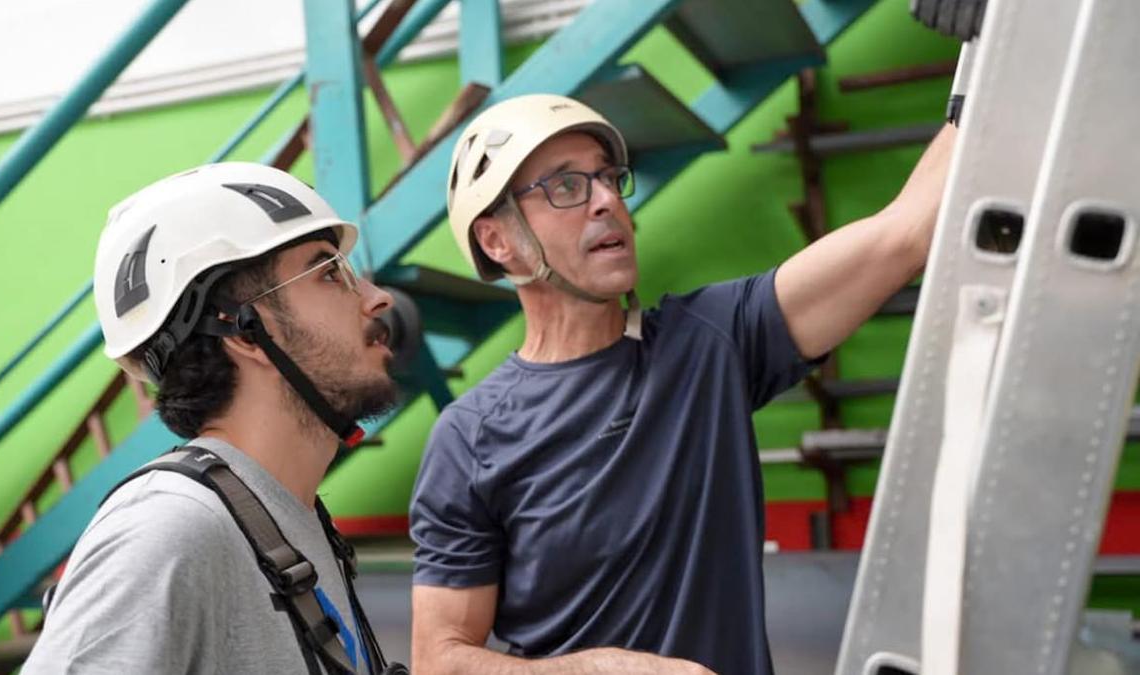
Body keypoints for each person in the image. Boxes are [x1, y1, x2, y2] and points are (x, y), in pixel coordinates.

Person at [408, 94, 955, 674]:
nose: (606, 201)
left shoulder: (711, 342)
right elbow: (440, 662)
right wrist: (602, 671)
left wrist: (995, 42)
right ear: (498, 241)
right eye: (566, 186)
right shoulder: (469, 438)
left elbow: (903, 235)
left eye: (610, 178)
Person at [24, 163, 406, 674]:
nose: (375, 297)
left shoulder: (288, 514)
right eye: (329, 272)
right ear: (245, 332)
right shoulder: (166, 531)